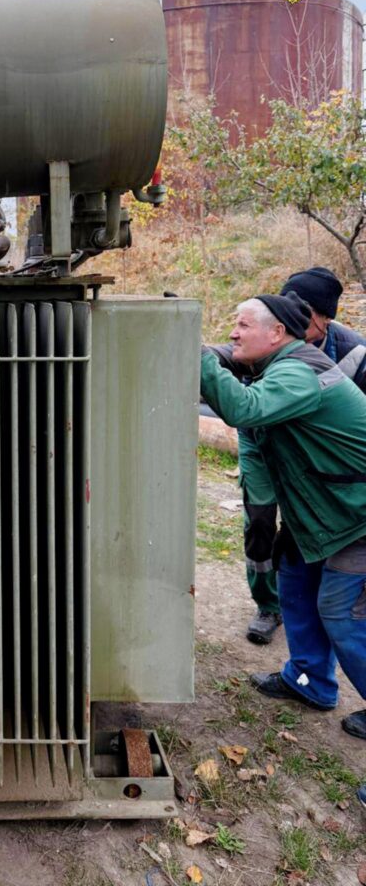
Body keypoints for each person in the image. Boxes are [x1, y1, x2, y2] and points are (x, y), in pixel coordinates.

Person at [201, 291, 366, 810]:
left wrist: (196, 358)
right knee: (293, 582)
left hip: (357, 516)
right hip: (319, 512)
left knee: (341, 614)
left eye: (242, 325)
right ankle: (310, 681)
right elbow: (233, 373)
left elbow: (242, 408)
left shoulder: (298, 372)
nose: (233, 332)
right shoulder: (275, 365)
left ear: (277, 334)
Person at [228, 267, 366, 645]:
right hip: (262, 441)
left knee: (313, 531)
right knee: (259, 520)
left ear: (325, 319)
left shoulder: (354, 354)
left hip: (319, 459)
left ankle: (324, 611)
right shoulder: (269, 336)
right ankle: (267, 604)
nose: (294, 315)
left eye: (305, 311)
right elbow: (241, 386)